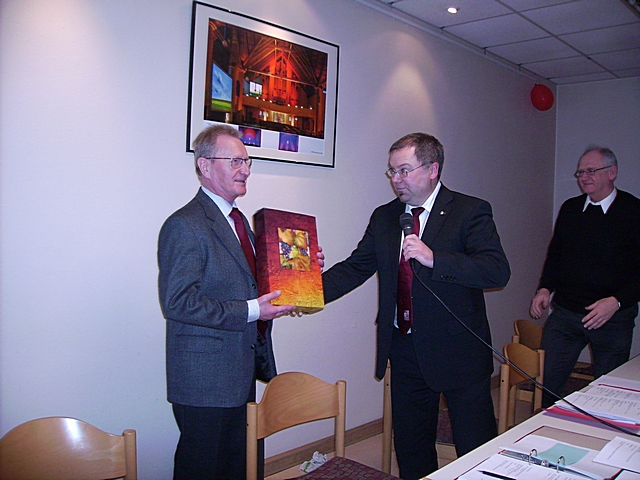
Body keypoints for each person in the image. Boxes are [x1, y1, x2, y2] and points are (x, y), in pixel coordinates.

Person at [322, 132, 511, 479]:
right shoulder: (385, 217)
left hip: (459, 352)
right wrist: (305, 291)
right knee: (412, 451)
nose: (396, 180)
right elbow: (355, 268)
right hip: (405, 349)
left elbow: (496, 271)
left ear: (433, 169)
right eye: (392, 171)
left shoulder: (469, 211)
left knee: (476, 451)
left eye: (404, 170)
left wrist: (435, 258)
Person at [157, 124, 297, 479]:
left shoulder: (239, 222)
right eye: (235, 161)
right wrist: (253, 310)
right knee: (203, 470)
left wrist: (299, 268)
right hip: (204, 380)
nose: (245, 170)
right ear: (205, 166)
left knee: (242, 467)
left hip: (241, 369)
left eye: (247, 161)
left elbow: (249, 281)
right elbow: (178, 302)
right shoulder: (185, 224)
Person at [530, 146, 640, 408]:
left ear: (612, 172)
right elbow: (556, 254)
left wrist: (616, 301)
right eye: (580, 172)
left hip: (612, 318)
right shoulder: (571, 209)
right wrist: (545, 288)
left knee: (608, 394)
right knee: (547, 385)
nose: (584, 177)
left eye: (591, 171)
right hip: (566, 315)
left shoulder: (633, 211)